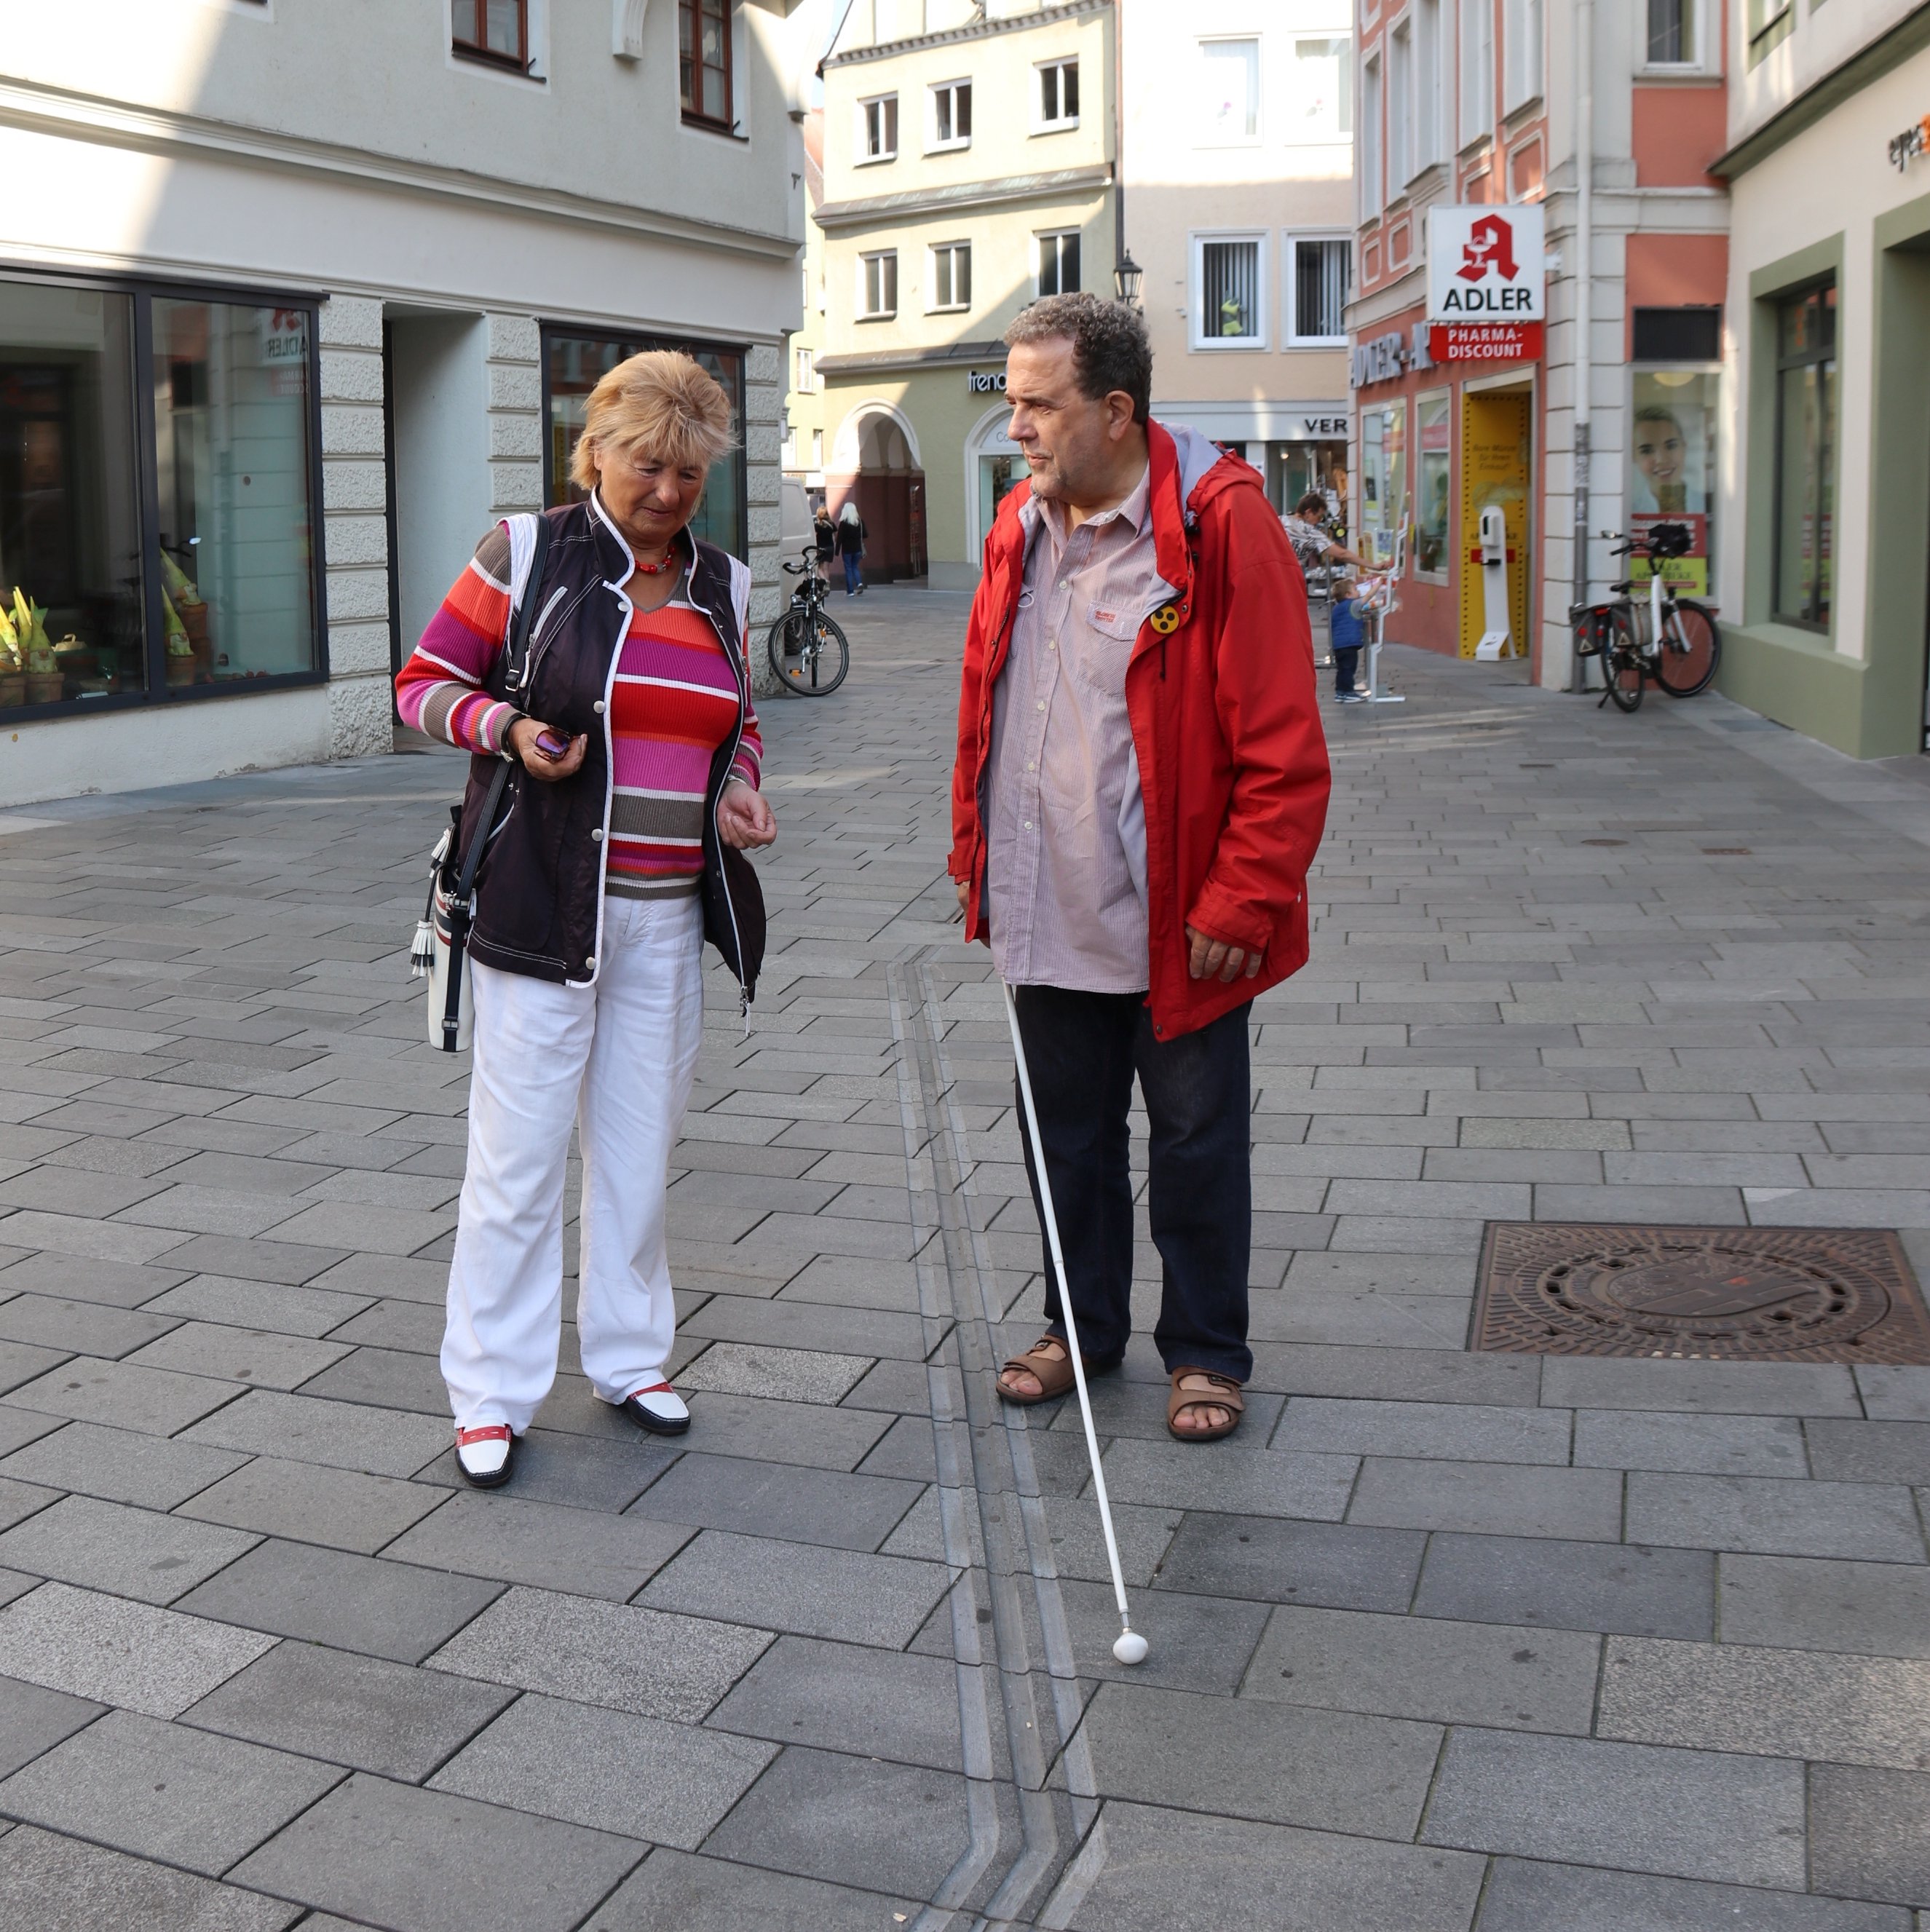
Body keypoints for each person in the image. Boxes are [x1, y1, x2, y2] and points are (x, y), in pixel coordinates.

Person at [948, 294, 1330, 1442]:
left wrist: (1245, 895)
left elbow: (1280, 742)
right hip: (1039, 894)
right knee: (1060, 1134)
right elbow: (988, 701)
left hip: (1180, 912)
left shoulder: (1218, 526)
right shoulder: (1018, 525)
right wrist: (972, 846)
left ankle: (1206, 1348)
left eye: (1035, 403)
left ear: (1114, 410)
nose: (1015, 425)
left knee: (1195, 1139)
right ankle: (1081, 1325)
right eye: (1011, 400)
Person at [395, 350, 778, 1488]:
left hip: (664, 917)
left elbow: (737, 722)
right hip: (539, 906)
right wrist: (505, 729)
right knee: (513, 1166)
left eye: (689, 475)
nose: (667, 493)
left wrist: (740, 785)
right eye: (648, 466)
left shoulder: (728, 586)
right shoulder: (524, 553)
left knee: (637, 1151)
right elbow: (420, 685)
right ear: (596, 452)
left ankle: (627, 1356)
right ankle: (490, 1393)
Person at [1632, 403, 1691, 513]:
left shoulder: (1709, 505)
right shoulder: (1631, 512)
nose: (1661, 460)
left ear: (1684, 447)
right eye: (1647, 451)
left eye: (1671, 446)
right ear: (1633, 457)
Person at [834, 499, 868, 595]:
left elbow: (839, 538)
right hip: (857, 549)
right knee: (855, 567)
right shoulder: (860, 522)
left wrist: (837, 552)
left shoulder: (844, 523)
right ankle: (859, 582)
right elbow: (865, 535)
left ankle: (850, 591)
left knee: (848, 569)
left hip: (847, 550)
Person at [812, 502, 836, 585]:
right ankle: (827, 585)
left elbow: (814, 537)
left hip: (821, 548)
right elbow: (835, 535)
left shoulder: (817, 525)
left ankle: (826, 582)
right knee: (826, 568)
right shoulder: (831, 524)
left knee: (818, 567)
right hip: (830, 547)